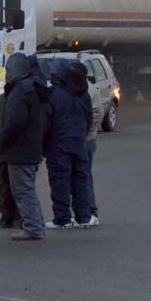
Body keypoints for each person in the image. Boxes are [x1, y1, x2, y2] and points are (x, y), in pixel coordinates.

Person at [0, 53, 51, 241]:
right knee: (27, 188)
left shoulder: (20, 91)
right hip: (31, 147)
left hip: (19, 150)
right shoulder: (32, 88)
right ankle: (37, 224)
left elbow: (13, 122)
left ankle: (33, 228)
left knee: (22, 190)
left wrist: (2, 141)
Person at [44, 60, 95, 229]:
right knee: (80, 181)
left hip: (59, 145)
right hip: (79, 143)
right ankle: (83, 218)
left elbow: (47, 122)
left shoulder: (53, 94)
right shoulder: (83, 93)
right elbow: (89, 118)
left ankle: (63, 218)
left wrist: (45, 144)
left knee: (60, 182)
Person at [0, 67, 20, 229]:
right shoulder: (23, 97)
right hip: (20, 147)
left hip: (2, 147)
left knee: (5, 184)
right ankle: (20, 216)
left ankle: (6, 216)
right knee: (21, 184)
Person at [84, 69, 105, 226]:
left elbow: (97, 114)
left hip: (87, 140)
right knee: (80, 177)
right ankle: (83, 212)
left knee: (84, 177)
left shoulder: (88, 90)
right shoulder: (81, 88)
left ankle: (91, 212)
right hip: (86, 139)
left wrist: (86, 131)